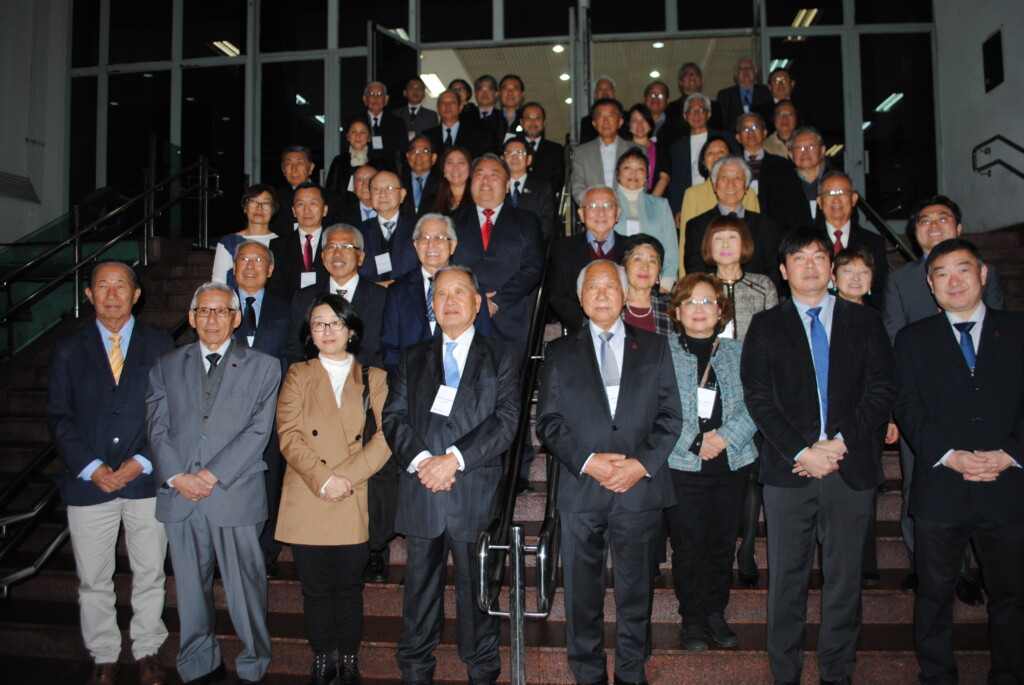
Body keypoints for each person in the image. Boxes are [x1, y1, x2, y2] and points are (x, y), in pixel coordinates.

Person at [740, 227, 896, 685]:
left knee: (845, 581)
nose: (810, 264)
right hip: (790, 471)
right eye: (799, 258)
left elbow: (882, 388)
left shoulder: (865, 322)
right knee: (787, 580)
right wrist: (803, 450)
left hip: (851, 466)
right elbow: (758, 396)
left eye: (819, 256)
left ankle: (837, 673)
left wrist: (839, 442)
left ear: (831, 268)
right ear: (784, 271)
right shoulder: (766, 325)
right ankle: (784, 672)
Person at [536, 259, 683, 685]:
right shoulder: (560, 351)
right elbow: (548, 421)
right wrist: (589, 461)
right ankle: (588, 674)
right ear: (581, 301)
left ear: (624, 294)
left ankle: (631, 672)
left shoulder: (655, 347)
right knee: (582, 594)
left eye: (609, 286)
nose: (602, 294)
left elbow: (672, 416)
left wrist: (640, 465)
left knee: (636, 591)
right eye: (592, 288)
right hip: (582, 488)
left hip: (639, 489)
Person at [893, 237, 1024, 685]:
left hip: (1008, 486)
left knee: (1012, 595)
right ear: (931, 285)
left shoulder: (1019, 331)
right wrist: (949, 456)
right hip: (940, 488)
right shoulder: (912, 339)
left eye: (963, 270)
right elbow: (907, 406)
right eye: (942, 273)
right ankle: (937, 675)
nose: (954, 281)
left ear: (983, 275)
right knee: (934, 594)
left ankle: (1009, 673)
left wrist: (1010, 454)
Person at [382, 264, 520, 685]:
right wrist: (426, 461)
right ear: (432, 305)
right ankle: (415, 670)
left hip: (474, 491)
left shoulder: (503, 356)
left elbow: (506, 420)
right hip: (423, 489)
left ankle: (481, 671)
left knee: (477, 594)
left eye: (460, 292)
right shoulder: (413, 357)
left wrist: (453, 459)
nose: (450, 301)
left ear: (478, 304)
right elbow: (394, 417)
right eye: (441, 294)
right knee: (418, 593)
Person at [146, 282, 281, 685]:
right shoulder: (165, 365)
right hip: (180, 495)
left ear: (236, 318)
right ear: (190, 318)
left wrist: (210, 474)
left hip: (233, 492)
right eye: (203, 311)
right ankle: (197, 664)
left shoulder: (264, 365)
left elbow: (259, 431)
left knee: (246, 589)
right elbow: (156, 428)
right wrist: (177, 476)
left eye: (221, 311)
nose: (212, 319)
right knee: (189, 590)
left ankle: (254, 663)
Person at [46, 261, 174, 685]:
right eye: (103, 286)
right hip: (89, 484)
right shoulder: (68, 349)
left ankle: (147, 649)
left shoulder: (161, 345)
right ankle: (103, 652)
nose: (112, 293)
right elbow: (59, 416)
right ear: (89, 295)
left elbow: (169, 415)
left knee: (150, 572)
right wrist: (91, 467)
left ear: (137, 294)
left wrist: (144, 461)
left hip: (144, 480)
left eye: (121, 285)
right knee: (93, 578)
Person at [882, 195, 1003, 602]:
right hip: (923, 407)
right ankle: (923, 566)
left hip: (978, 407)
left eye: (943, 219)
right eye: (925, 221)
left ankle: (966, 572)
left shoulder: (984, 275)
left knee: (980, 485)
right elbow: (894, 339)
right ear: (914, 234)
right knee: (919, 485)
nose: (933, 226)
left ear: (959, 228)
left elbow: (997, 341)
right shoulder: (901, 280)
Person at [275, 293, 390, 685]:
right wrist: (325, 479)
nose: (327, 330)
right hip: (310, 493)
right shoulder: (297, 374)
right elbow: (289, 436)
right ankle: (323, 656)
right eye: (319, 323)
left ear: (351, 330)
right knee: (316, 589)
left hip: (352, 495)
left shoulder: (375, 378)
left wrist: (345, 477)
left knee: (349, 588)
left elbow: (388, 437)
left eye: (335, 322)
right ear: (310, 332)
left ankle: (351, 658)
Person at [664, 272, 757, 652]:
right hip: (683, 465)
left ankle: (716, 612)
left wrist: (723, 438)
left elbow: (757, 403)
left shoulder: (739, 351)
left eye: (707, 302)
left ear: (721, 311)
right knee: (687, 546)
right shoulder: (661, 351)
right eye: (690, 302)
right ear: (677, 311)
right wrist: (695, 441)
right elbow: (657, 408)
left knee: (721, 543)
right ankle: (692, 618)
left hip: (731, 464)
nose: (699, 309)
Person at [832, 245, 894, 587]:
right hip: (831, 422)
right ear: (834, 277)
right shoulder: (820, 317)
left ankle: (866, 564)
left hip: (869, 418)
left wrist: (891, 417)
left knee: (863, 489)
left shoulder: (877, 320)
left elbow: (886, 378)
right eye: (848, 271)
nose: (855, 278)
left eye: (863, 272)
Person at [231, 240, 292, 577]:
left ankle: (266, 552)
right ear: (234, 267)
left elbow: (295, 354)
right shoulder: (217, 307)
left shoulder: (286, 307)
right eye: (244, 259)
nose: (251, 265)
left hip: (272, 409)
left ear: (270, 270)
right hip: (227, 412)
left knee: (270, 482)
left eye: (259, 260)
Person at [450, 153, 544, 358]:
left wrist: (497, 301)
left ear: (508, 185)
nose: (485, 180)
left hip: (509, 318)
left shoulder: (527, 221)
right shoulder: (452, 221)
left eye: (494, 175)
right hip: (461, 317)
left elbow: (533, 267)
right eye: (479, 174)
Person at [380, 213, 493, 372]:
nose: (431, 244)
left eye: (439, 237)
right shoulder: (398, 291)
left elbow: (484, 341)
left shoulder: (472, 287)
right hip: (411, 382)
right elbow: (390, 347)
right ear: (415, 245)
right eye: (424, 238)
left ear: (452, 245)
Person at [684, 155, 780, 286]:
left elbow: (773, 271)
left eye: (737, 177)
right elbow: (695, 272)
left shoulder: (766, 226)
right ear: (714, 184)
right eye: (724, 177)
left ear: (746, 186)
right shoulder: (697, 225)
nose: (731, 184)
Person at [546, 186, 627, 331]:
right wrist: (589, 326)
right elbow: (557, 296)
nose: (601, 213)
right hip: (579, 331)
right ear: (581, 214)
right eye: (593, 206)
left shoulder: (631, 248)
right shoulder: (562, 248)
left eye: (608, 206)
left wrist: (617, 326)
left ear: (618, 213)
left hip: (625, 329)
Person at [816, 171, 889, 303]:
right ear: (820, 202)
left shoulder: (873, 242)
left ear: (854, 199)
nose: (836, 199)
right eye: (830, 193)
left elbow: (880, 288)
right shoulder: (810, 242)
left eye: (843, 192)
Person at [612, 147, 679, 284]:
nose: (633, 173)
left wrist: (666, 284)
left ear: (647, 176)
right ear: (618, 174)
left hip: (654, 281)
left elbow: (671, 249)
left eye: (640, 169)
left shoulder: (661, 205)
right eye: (627, 168)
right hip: (616, 280)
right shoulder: (608, 204)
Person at [667, 94, 735, 217]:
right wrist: (677, 209)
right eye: (691, 110)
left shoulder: (725, 138)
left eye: (701, 110)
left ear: (708, 114)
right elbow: (675, 182)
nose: (696, 114)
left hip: (722, 199)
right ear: (685, 116)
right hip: (692, 203)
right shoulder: (677, 146)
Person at [677, 136, 759, 233]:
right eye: (710, 153)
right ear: (703, 162)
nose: (716, 156)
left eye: (721, 151)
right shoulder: (692, 194)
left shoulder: (747, 192)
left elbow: (756, 229)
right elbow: (686, 239)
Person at [266, 182, 331, 302]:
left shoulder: (335, 243)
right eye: (300, 204)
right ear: (294, 211)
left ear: (325, 210)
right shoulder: (278, 246)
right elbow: (275, 288)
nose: (307, 210)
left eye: (313, 203)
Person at [759, 126, 829, 233]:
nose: (805, 152)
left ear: (822, 151)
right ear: (791, 155)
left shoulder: (835, 182)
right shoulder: (778, 187)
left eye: (811, 147)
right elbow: (776, 226)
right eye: (799, 148)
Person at [211, 185, 279, 288]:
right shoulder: (229, 243)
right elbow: (218, 284)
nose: (259, 208)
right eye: (253, 202)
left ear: (273, 210)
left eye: (266, 203)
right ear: (245, 208)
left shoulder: (282, 243)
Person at [357, 170, 418, 284]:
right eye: (376, 189)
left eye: (389, 188)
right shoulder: (359, 231)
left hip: (407, 294)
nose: (382, 194)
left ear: (402, 194)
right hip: (371, 296)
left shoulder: (418, 229)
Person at [269, 145, 343, 237]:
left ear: (311, 168)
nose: (294, 169)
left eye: (299, 163)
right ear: (283, 170)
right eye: (289, 164)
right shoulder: (275, 200)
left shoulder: (331, 198)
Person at [571, 98, 632, 205]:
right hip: (595, 214)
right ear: (594, 123)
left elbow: (641, 185)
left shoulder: (635, 150)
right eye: (600, 117)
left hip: (628, 211)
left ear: (620, 122)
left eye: (611, 116)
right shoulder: (581, 153)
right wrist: (592, 206)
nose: (606, 122)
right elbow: (578, 186)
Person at [502, 137, 556, 240]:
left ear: (529, 159)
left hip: (530, 248)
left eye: (520, 153)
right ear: (502, 159)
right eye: (510, 153)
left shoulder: (543, 190)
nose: (514, 157)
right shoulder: (495, 187)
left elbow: (545, 226)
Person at [619, 233, 673, 336]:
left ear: (659, 271)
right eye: (637, 259)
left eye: (652, 261)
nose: (645, 267)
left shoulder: (671, 306)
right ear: (623, 268)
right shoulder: (610, 303)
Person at [326, 117, 389, 200]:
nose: (358, 135)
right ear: (347, 136)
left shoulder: (379, 162)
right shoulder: (339, 161)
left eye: (362, 132)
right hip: (344, 210)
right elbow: (331, 192)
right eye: (353, 132)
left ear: (369, 137)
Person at [734, 112, 790, 195]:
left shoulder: (782, 164)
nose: (750, 132)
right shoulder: (733, 165)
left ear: (764, 133)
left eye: (754, 127)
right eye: (745, 129)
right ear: (738, 137)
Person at [715, 57, 771, 137]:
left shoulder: (766, 91)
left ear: (755, 71)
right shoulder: (724, 96)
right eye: (741, 68)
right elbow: (721, 125)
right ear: (735, 74)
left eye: (749, 67)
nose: (745, 71)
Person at [424, 90, 485, 160]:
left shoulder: (476, 135)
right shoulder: (427, 136)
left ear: (460, 107)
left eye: (452, 102)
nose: (447, 106)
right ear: (438, 108)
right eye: (443, 103)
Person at [520, 101, 566, 194]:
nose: (533, 121)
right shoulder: (512, 147)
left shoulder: (555, 149)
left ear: (544, 122)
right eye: (528, 117)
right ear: (521, 122)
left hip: (544, 202)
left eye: (537, 117)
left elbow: (558, 180)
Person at [625, 103, 670, 196]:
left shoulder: (662, 149)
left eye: (644, 119)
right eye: (635, 120)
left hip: (655, 199)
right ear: (629, 126)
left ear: (650, 125)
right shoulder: (622, 148)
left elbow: (664, 178)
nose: (639, 124)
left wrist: (650, 203)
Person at [362, 81, 408, 171]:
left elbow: (403, 154)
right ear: (364, 99)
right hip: (363, 171)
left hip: (390, 172)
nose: (375, 98)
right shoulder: (357, 122)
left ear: (386, 99)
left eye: (379, 94)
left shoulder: (397, 123)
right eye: (371, 94)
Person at [400, 135, 441, 218]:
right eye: (414, 151)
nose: (418, 156)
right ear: (408, 156)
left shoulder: (442, 184)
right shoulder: (398, 182)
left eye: (425, 151)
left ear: (433, 158)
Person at [433, 146, 473, 214]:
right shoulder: (433, 200)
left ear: (469, 168)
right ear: (444, 170)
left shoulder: (479, 199)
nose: (455, 168)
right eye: (450, 163)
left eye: (461, 163)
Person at [579, 75, 617, 144]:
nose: (605, 92)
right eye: (600, 89)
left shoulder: (625, 117)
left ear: (615, 93)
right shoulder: (587, 122)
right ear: (595, 95)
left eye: (608, 88)